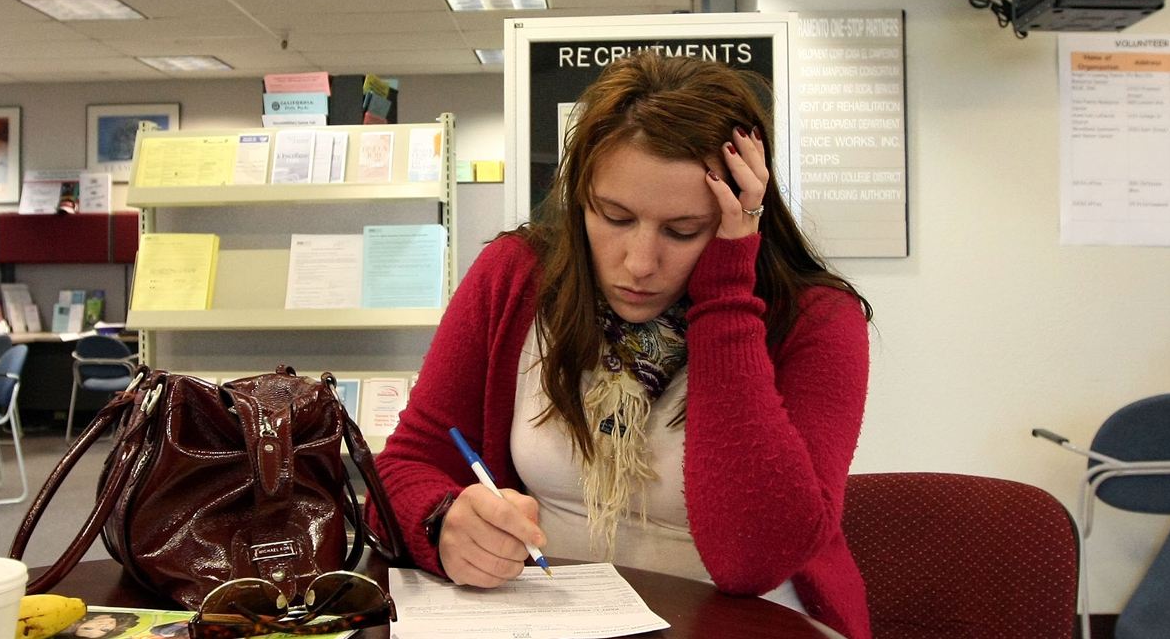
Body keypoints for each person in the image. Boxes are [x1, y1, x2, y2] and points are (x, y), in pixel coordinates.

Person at [374, 52, 873, 639]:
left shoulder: (819, 320)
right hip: (547, 620)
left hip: (749, 625)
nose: (639, 264)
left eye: (683, 231)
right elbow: (406, 464)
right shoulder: (514, 277)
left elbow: (752, 560)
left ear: (741, 211)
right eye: (613, 217)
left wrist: (726, 296)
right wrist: (441, 522)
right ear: (579, 197)